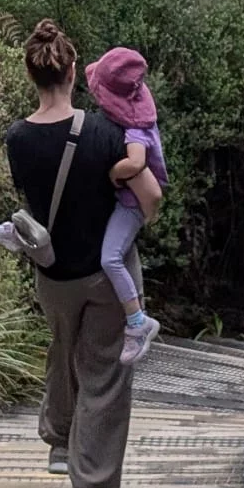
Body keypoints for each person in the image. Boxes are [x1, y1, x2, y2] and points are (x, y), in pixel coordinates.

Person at [0, 17, 161, 488]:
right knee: (105, 369)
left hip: (54, 273)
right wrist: (137, 220)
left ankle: (60, 442)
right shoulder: (104, 132)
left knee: (63, 349)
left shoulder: (17, 139)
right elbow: (151, 195)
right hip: (107, 274)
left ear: (31, 74)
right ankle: (93, 482)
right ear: (74, 71)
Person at [86, 46, 167, 366]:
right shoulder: (136, 116)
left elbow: (136, 162)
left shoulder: (134, 129)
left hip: (131, 204)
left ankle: (137, 322)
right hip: (131, 200)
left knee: (110, 258)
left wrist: (113, 173)